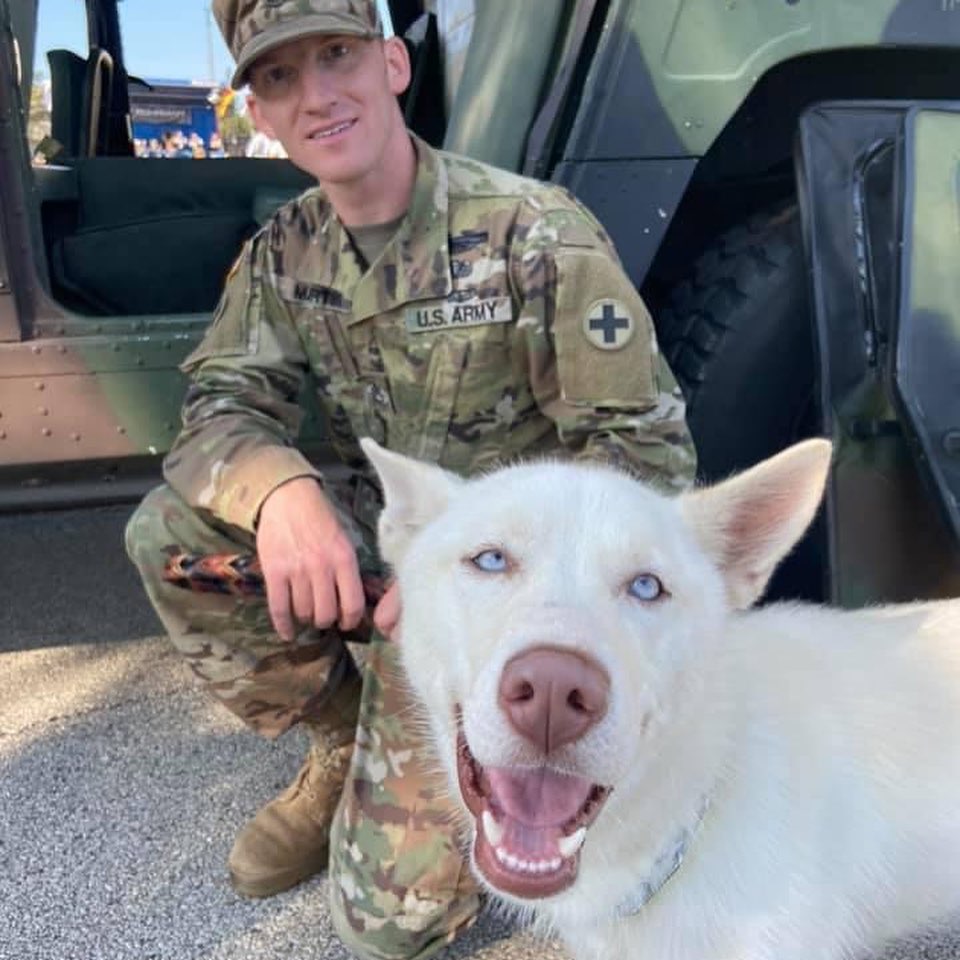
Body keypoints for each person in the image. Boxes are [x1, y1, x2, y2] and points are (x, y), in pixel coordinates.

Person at [124, 1, 697, 958]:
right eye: (279, 78)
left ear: (393, 65)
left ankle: (571, 800)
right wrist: (279, 491)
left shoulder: (531, 233)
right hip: (389, 551)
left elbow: (644, 465)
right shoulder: (285, 251)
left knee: (386, 930)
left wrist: (491, 577)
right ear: (260, 114)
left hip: (513, 586)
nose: (316, 95)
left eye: (338, 55)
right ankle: (342, 739)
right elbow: (220, 402)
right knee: (169, 533)